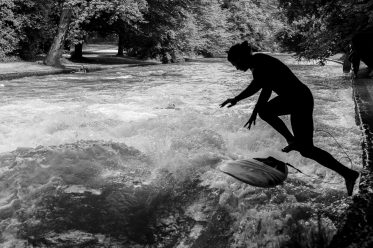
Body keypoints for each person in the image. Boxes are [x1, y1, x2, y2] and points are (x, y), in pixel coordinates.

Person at [220, 41, 359, 196]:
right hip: (295, 100)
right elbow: (265, 89)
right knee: (306, 149)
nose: (236, 68)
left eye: (235, 63)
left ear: (241, 57)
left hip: (299, 100)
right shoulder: (257, 64)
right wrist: (253, 110)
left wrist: (237, 99)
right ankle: (348, 174)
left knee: (303, 146)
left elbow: (257, 86)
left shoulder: (260, 63)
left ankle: (293, 141)